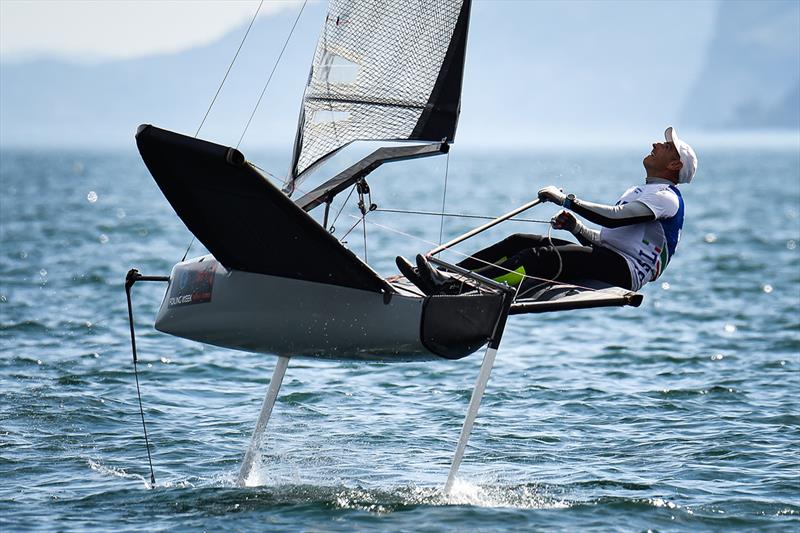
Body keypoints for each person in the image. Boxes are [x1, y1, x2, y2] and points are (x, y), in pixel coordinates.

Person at [397, 126, 697, 294]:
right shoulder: (640, 191)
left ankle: (457, 291)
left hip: (625, 273)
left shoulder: (667, 197)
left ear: (674, 165)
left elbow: (612, 219)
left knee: (540, 258)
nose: (656, 143)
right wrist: (576, 228)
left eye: (666, 146)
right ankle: (449, 276)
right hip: (612, 259)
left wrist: (566, 200)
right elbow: (608, 241)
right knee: (520, 241)